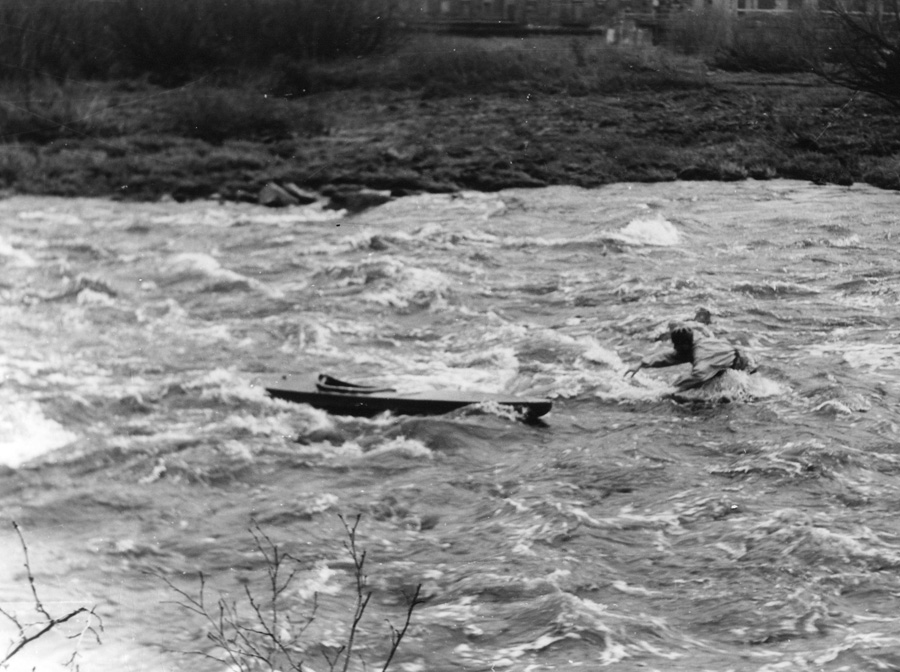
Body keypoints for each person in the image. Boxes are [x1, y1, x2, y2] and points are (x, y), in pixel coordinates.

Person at [625, 323, 757, 393]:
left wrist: (672, 388)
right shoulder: (692, 345)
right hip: (728, 363)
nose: (675, 348)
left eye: (677, 345)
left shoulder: (701, 353)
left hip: (743, 366)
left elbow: (698, 375)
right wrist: (642, 364)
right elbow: (669, 356)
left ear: (685, 344)